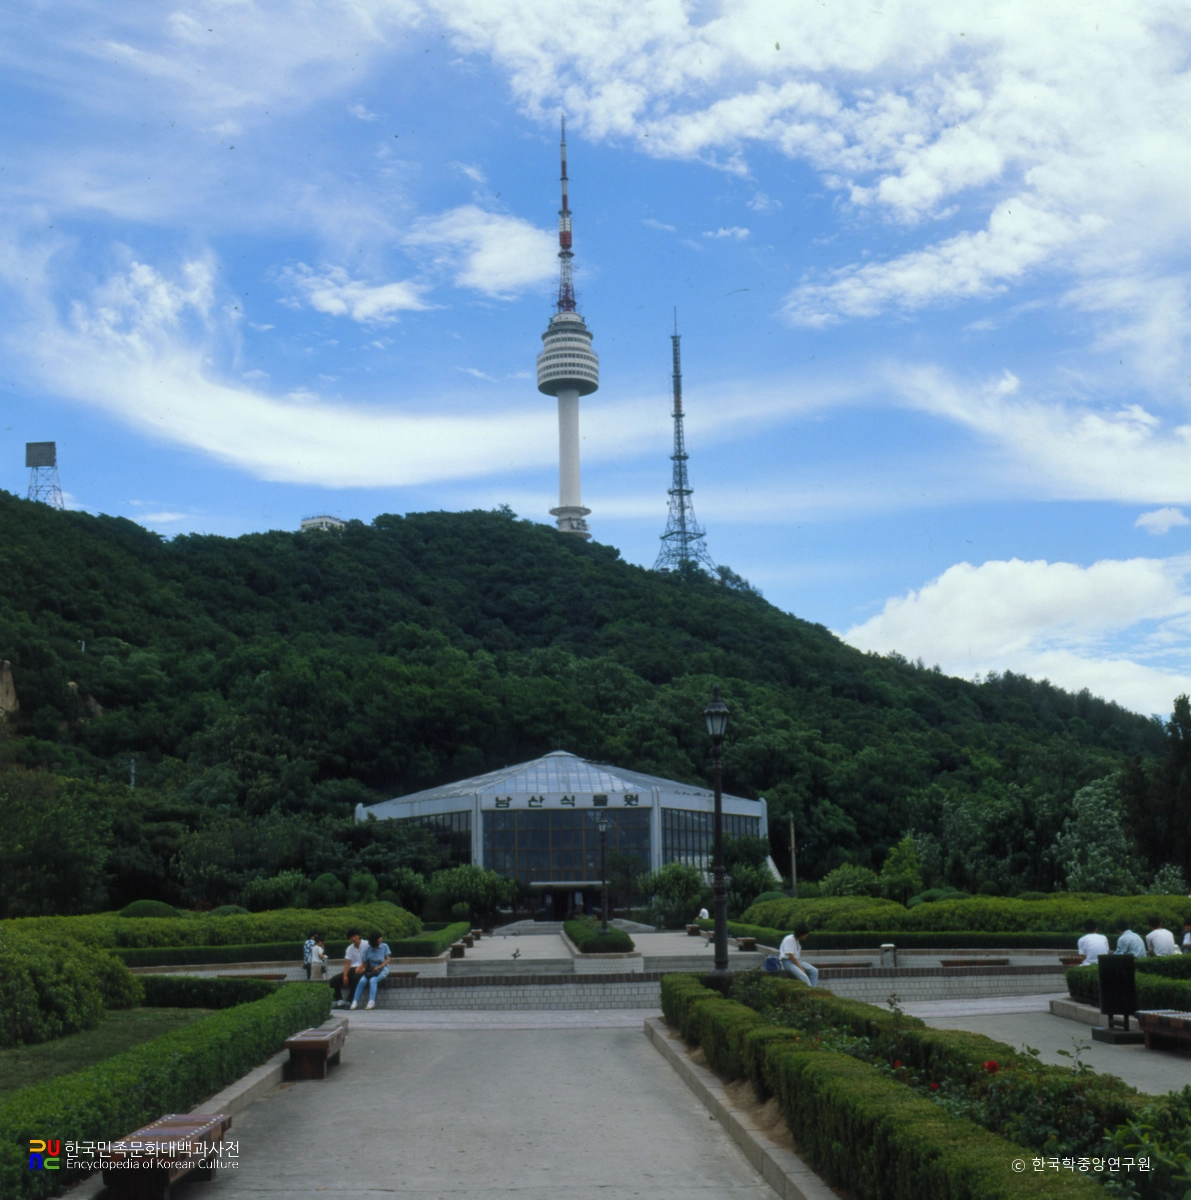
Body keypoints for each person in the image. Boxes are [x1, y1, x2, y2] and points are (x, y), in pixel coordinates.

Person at [351, 931, 391, 1010]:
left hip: (382, 969)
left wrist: (380, 966)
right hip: (371, 970)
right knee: (362, 981)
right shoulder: (368, 950)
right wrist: (360, 968)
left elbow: (388, 959)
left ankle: (371, 1002)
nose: (381, 939)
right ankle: (355, 1001)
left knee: (373, 980)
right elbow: (365, 963)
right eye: (379, 938)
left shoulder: (384, 946)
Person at [340, 929, 367, 1006]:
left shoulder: (366, 944)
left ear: (359, 936)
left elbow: (370, 958)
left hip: (364, 969)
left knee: (355, 978)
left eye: (355, 936)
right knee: (334, 980)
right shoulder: (349, 948)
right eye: (351, 937)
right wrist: (345, 976)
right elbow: (347, 963)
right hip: (353, 970)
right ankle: (339, 1001)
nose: (353, 938)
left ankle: (350, 1000)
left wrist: (363, 968)